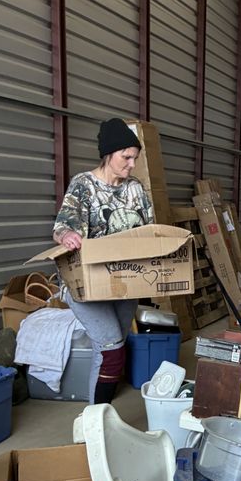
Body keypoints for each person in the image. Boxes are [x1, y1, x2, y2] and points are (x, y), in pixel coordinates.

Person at [53, 117, 154, 404]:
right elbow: (61, 225)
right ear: (108, 154)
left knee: (111, 349)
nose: (132, 164)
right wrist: (68, 235)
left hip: (125, 281)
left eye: (135, 158)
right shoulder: (84, 185)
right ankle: (95, 420)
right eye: (126, 157)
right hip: (88, 283)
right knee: (112, 351)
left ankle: (97, 419)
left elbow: (150, 230)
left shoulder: (135, 189)